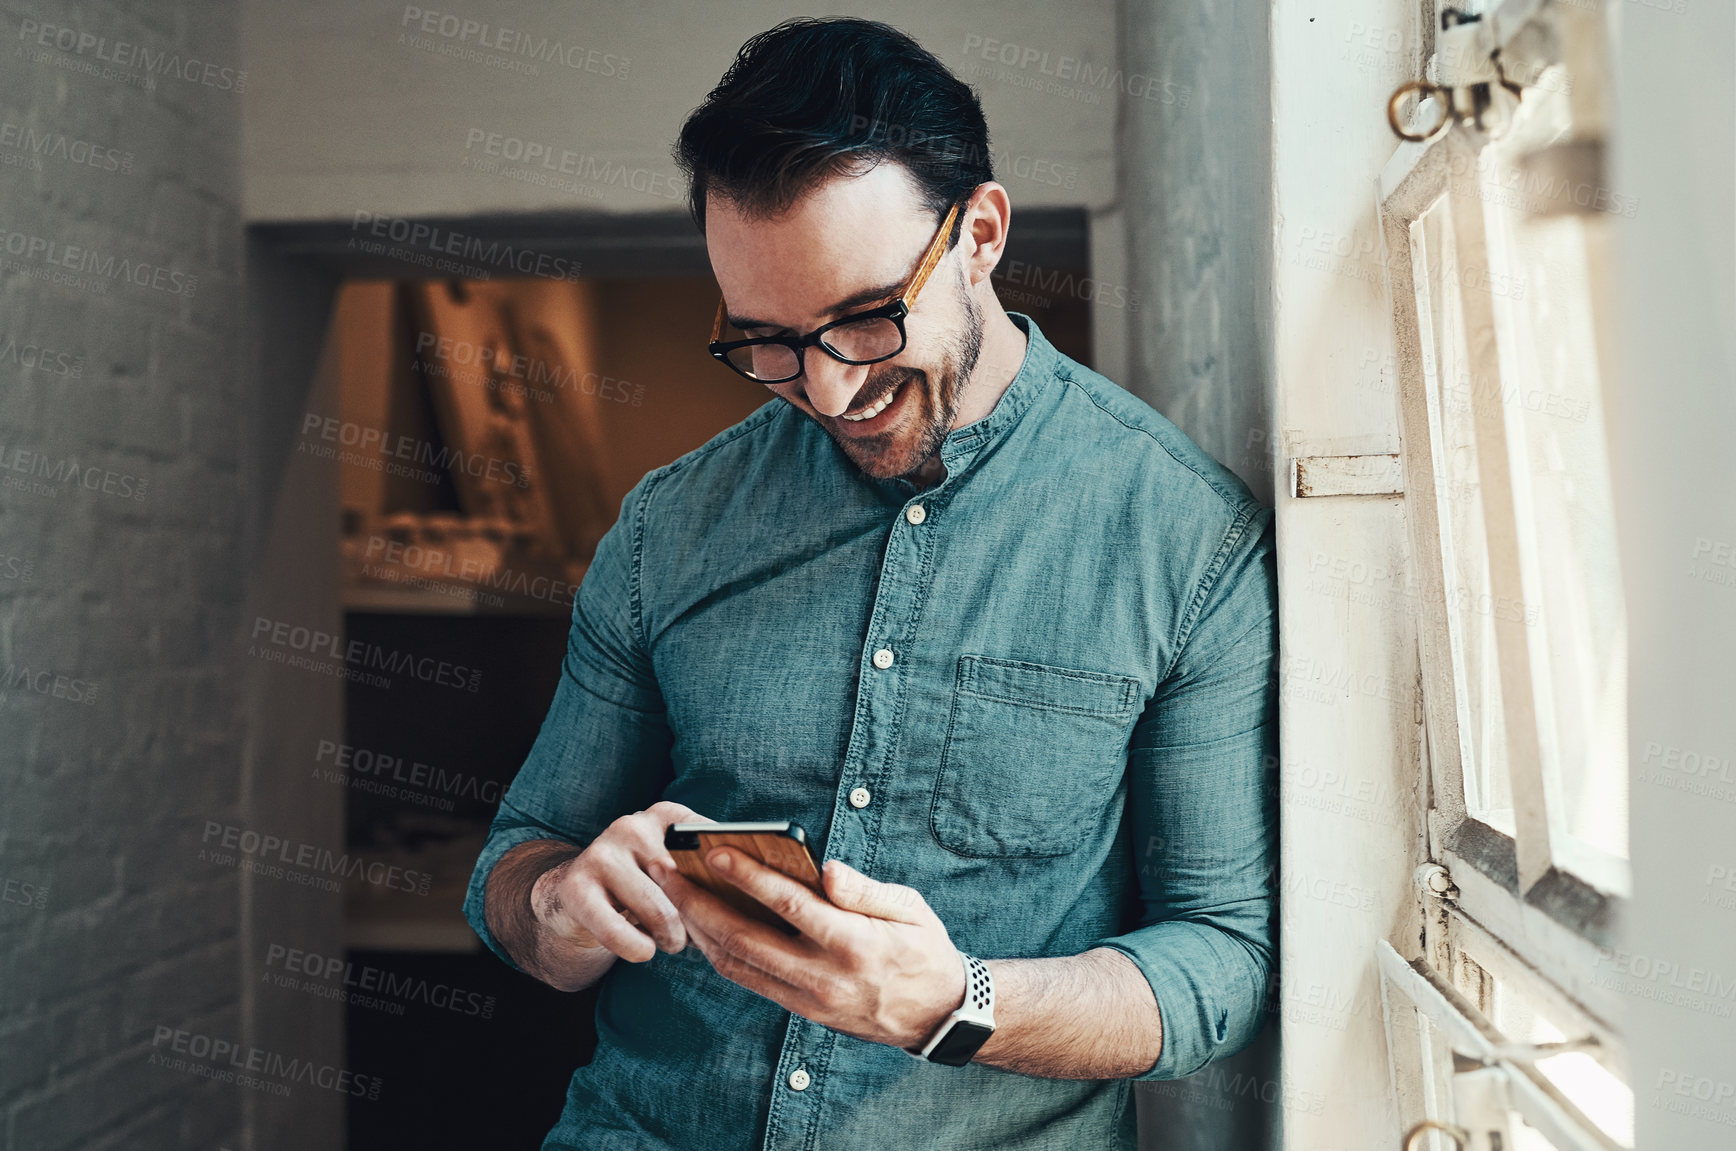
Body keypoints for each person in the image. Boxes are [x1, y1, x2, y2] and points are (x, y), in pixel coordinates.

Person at [463, 17, 1276, 1151]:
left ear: (980, 234)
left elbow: (1221, 956)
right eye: (767, 343)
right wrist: (560, 904)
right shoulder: (666, 528)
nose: (832, 390)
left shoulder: (1185, 540)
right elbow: (516, 867)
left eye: (864, 318)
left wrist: (956, 1003)